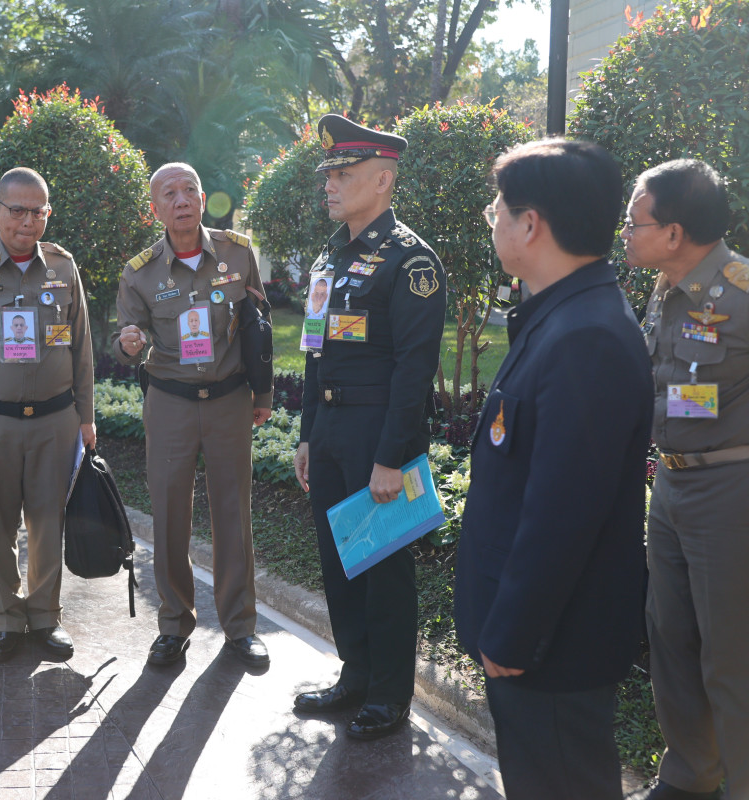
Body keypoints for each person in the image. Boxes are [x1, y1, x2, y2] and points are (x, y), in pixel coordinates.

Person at [453, 139, 653, 799]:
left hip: (552, 645)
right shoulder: (562, 316)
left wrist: (512, 636)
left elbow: (562, 515)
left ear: (531, 224)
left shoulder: (584, 336)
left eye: (498, 212)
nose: (494, 222)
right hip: (544, 638)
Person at [290, 114, 445, 739]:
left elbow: (414, 371)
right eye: (329, 174)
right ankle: (355, 674)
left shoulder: (410, 259)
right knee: (340, 560)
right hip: (330, 427)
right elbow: (314, 348)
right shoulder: (332, 254)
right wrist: (307, 433)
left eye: (343, 174)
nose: (329, 184)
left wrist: (390, 457)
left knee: (383, 565)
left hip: (377, 432)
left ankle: (388, 694)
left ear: (382, 180)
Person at [113, 162, 271, 668]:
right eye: (169, 194)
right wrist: (128, 343)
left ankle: (240, 627)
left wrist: (263, 393)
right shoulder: (140, 272)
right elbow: (127, 338)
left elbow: (259, 327)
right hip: (171, 403)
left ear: (202, 199)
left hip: (229, 400)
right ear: (155, 208)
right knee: (168, 514)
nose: (181, 200)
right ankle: (173, 625)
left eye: (189, 191)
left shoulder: (238, 253)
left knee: (233, 513)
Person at [624, 159, 748, 800]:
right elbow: (671, 390)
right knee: (670, 637)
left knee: (732, 654)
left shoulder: (742, 293)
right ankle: (689, 777)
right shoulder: (664, 291)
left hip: (731, 491)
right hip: (671, 486)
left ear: (674, 233)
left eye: (634, 222)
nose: (625, 232)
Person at [0, 167, 94, 663]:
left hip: (55, 419)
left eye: (38, 212)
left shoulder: (63, 266)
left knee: (49, 522)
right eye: (17, 211)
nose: (28, 222)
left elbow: (82, 346)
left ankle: (45, 617)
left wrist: (86, 416)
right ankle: (6, 618)